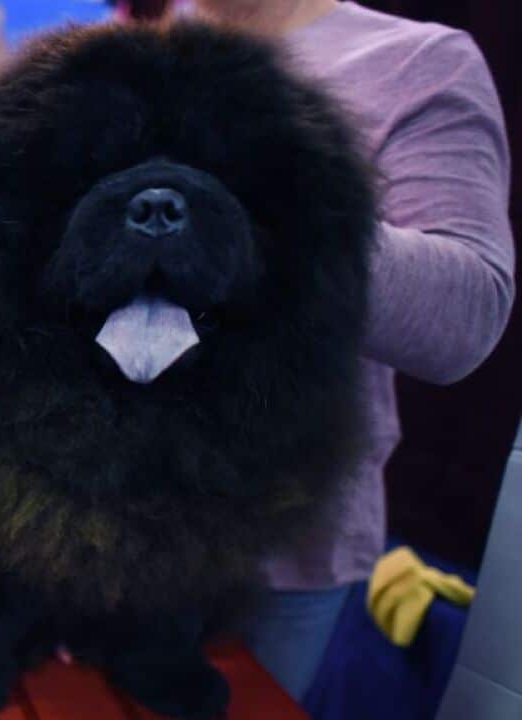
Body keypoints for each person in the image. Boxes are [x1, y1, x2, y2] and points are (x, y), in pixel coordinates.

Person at [185, 0, 514, 701]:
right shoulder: (114, 47)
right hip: (81, 532)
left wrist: (272, 222)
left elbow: (468, 315)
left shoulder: (416, 63)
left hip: (276, 559)